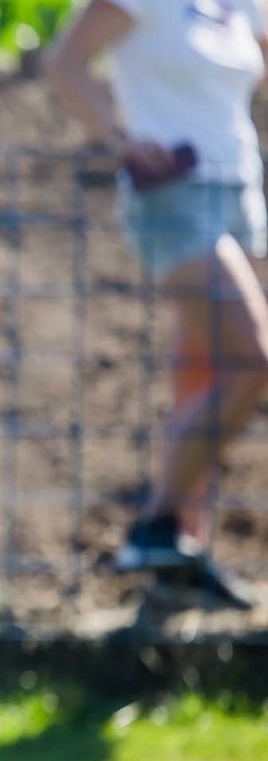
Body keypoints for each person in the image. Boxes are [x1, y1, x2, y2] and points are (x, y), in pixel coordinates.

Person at [44, 0, 268, 609]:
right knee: (252, 359)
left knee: (205, 377)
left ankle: (178, 555)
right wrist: (120, 138)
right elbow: (67, 65)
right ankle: (155, 524)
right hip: (172, 190)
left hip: (239, 193)